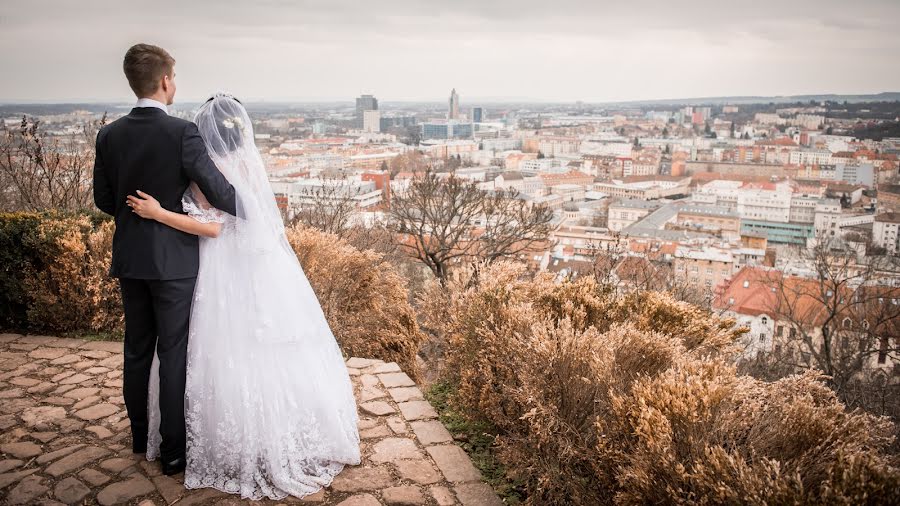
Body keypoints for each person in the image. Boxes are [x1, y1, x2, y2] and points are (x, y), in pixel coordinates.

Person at [127, 92, 360, 500]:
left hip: (219, 265)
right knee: (270, 346)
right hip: (261, 266)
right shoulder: (249, 165)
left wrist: (160, 214)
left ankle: (207, 438)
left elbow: (214, 227)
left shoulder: (206, 169)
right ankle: (284, 429)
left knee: (212, 346)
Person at [93, 43, 237, 476]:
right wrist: (254, 206)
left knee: (137, 349)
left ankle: (141, 437)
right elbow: (220, 191)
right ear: (164, 81)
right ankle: (173, 451)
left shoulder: (109, 134)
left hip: (131, 259)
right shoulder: (182, 133)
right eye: (174, 77)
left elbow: (104, 200)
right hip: (174, 262)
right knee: (173, 352)